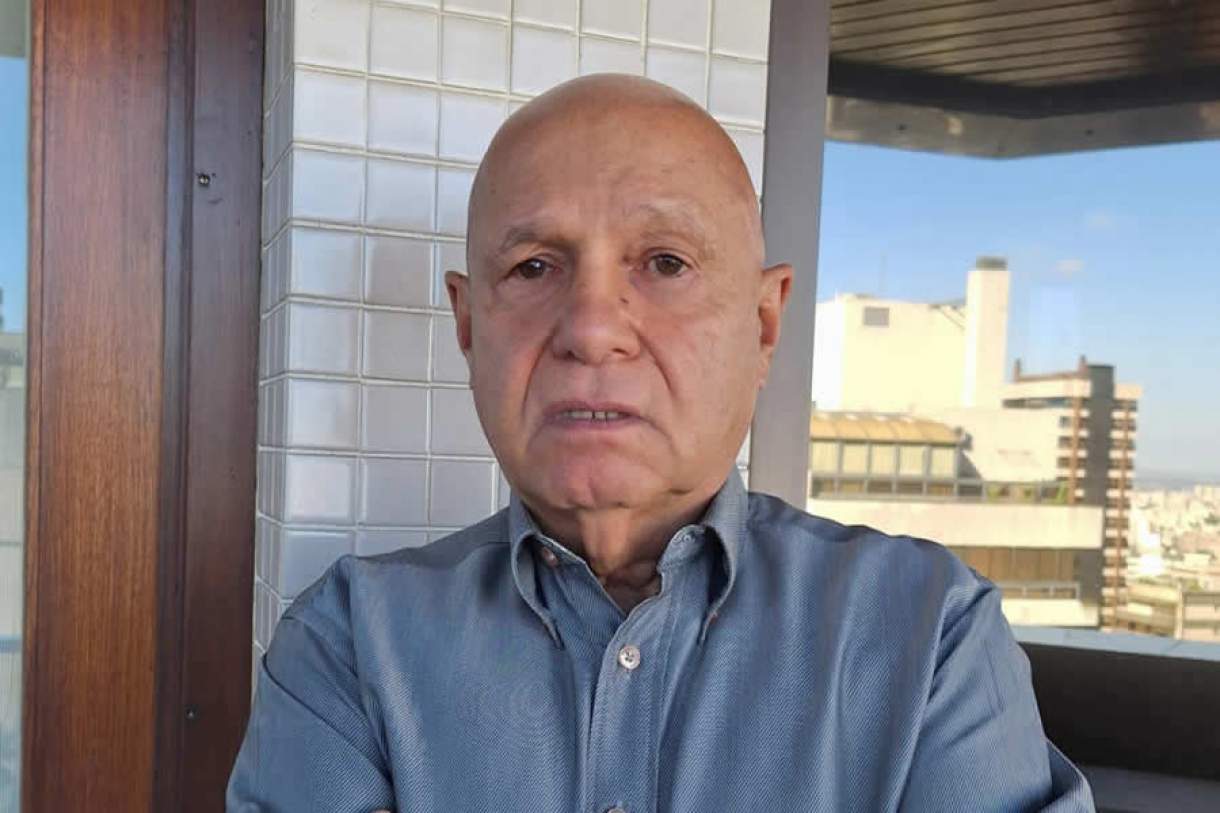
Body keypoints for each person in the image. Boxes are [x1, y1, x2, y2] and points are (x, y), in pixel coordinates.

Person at [227, 74, 1094, 812]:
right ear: (468, 324)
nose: (592, 328)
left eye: (666, 263)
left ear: (763, 323)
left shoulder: (928, 639)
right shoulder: (349, 646)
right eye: (534, 267)